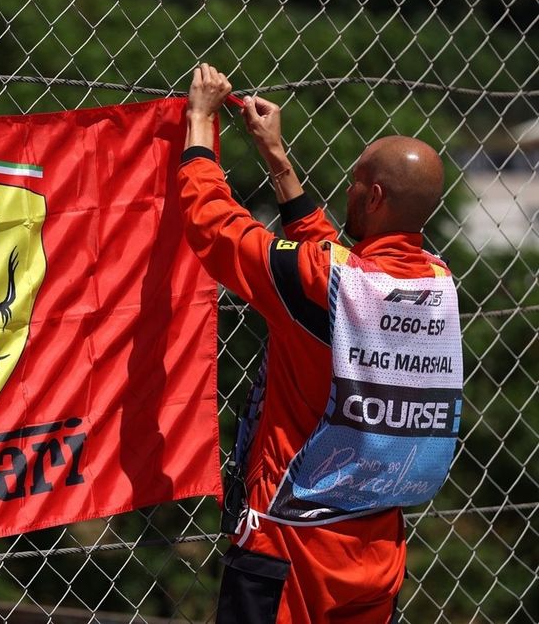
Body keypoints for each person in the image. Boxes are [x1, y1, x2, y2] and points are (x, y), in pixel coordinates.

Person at [178, 64, 463, 624]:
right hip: (377, 547)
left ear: (374, 195)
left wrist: (199, 122)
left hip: (290, 546)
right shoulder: (435, 282)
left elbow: (213, 226)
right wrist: (277, 159)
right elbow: (338, 267)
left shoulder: (325, 284)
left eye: (356, 181)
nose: (349, 188)